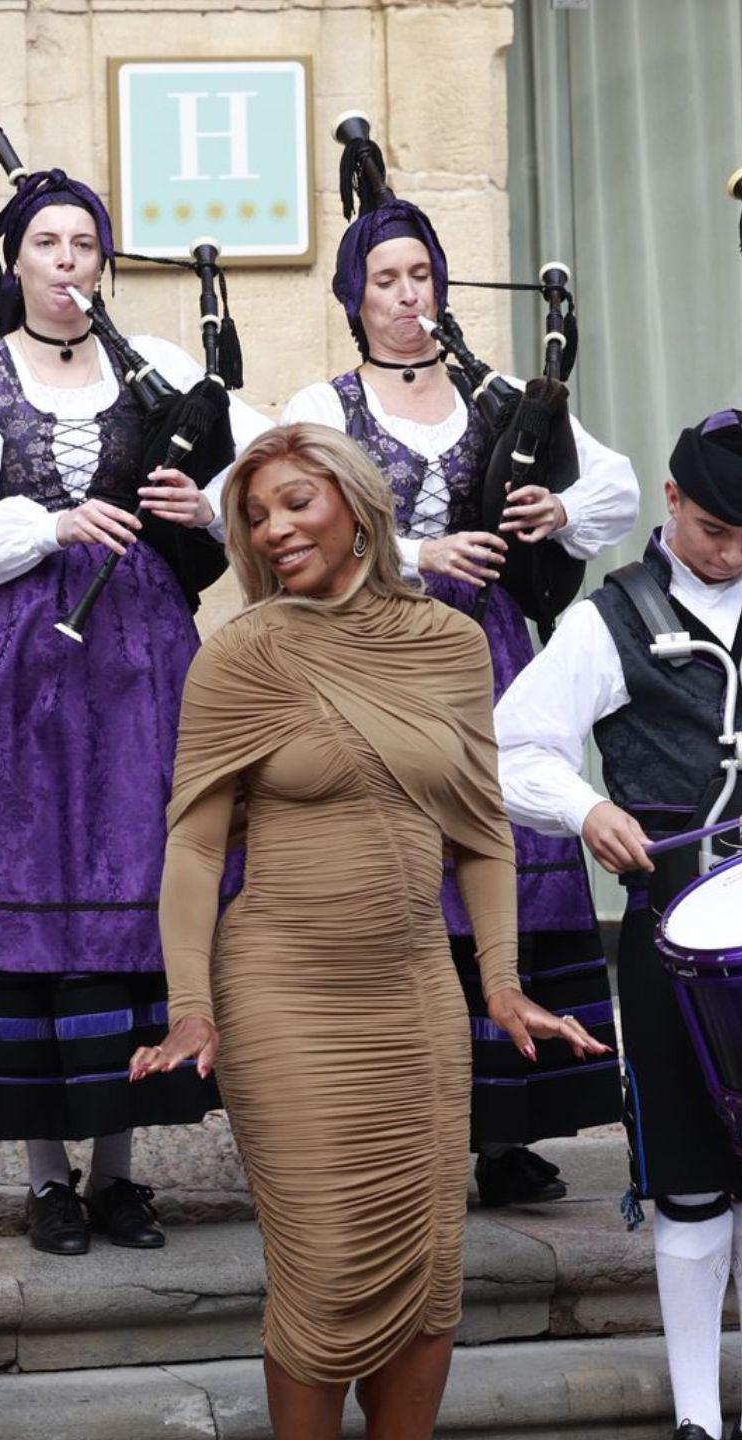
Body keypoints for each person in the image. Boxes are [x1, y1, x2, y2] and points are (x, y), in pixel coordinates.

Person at [131, 423, 608, 1440]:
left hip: (415, 997)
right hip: (284, 994)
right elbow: (193, 852)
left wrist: (503, 984)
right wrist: (188, 1008)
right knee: (327, 1267)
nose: (273, 528)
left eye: (296, 501)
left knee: (430, 1268)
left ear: (357, 507)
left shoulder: (451, 643)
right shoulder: (241, 657)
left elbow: (482, 834)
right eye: (255, 515)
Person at [0, 168, 270, 1257]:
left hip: (140, 663)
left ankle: (120, 1171)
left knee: (136, 880)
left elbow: (268, 461)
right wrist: (55, 527)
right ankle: (47, 1176)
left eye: (85, 245)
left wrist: (196, 500)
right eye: (48, 245)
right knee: (30, 887)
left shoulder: (153, 364)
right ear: (15, 261)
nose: (68, 262)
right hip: (13, 667)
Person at [277, 193, 637, 1205]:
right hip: (376, 663)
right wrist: (417, 551)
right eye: (385, 281)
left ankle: (504, 1129)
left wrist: (558, 507)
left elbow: (618, 488)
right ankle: (393, 1130)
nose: (406, 297)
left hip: (490, 668)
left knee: (501, 870)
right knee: (393, 881)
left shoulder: (499, 395)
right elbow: (282, 524)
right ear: (355, 297)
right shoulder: (323, 404)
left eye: (420, 277)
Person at [493, 409, 742, 1440]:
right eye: (720, 529)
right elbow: (512, 749)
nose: (735, 551)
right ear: (674, 503)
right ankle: (696, 1414)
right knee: (689, 1171)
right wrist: (586, 808)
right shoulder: (613, 619)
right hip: (675, 929)